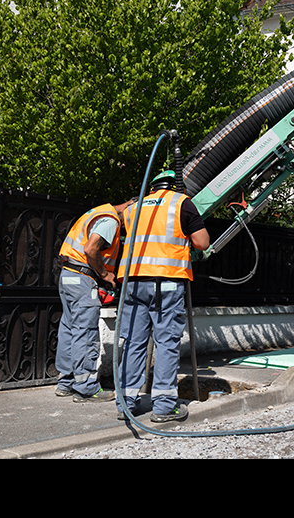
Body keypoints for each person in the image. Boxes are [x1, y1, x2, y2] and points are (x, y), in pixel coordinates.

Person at [116, 170, 209, 423]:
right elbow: (201, 242)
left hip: (133, 282)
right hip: (165, 282)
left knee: (133, 343)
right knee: (166, 343)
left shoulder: (134, 209)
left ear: (153, 186)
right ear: (175, 186)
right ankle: (164, 407)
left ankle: (126, 403)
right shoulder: (181, 203)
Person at [56, 199, 133, 402]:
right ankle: (86, 386)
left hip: (69, 275)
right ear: (130, 209)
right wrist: (105, 274)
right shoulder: (110, 221)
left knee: (69, 328)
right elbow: (91, 250)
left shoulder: (97, 212)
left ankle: (66, 382)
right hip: (84, 277)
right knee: (86, 331)